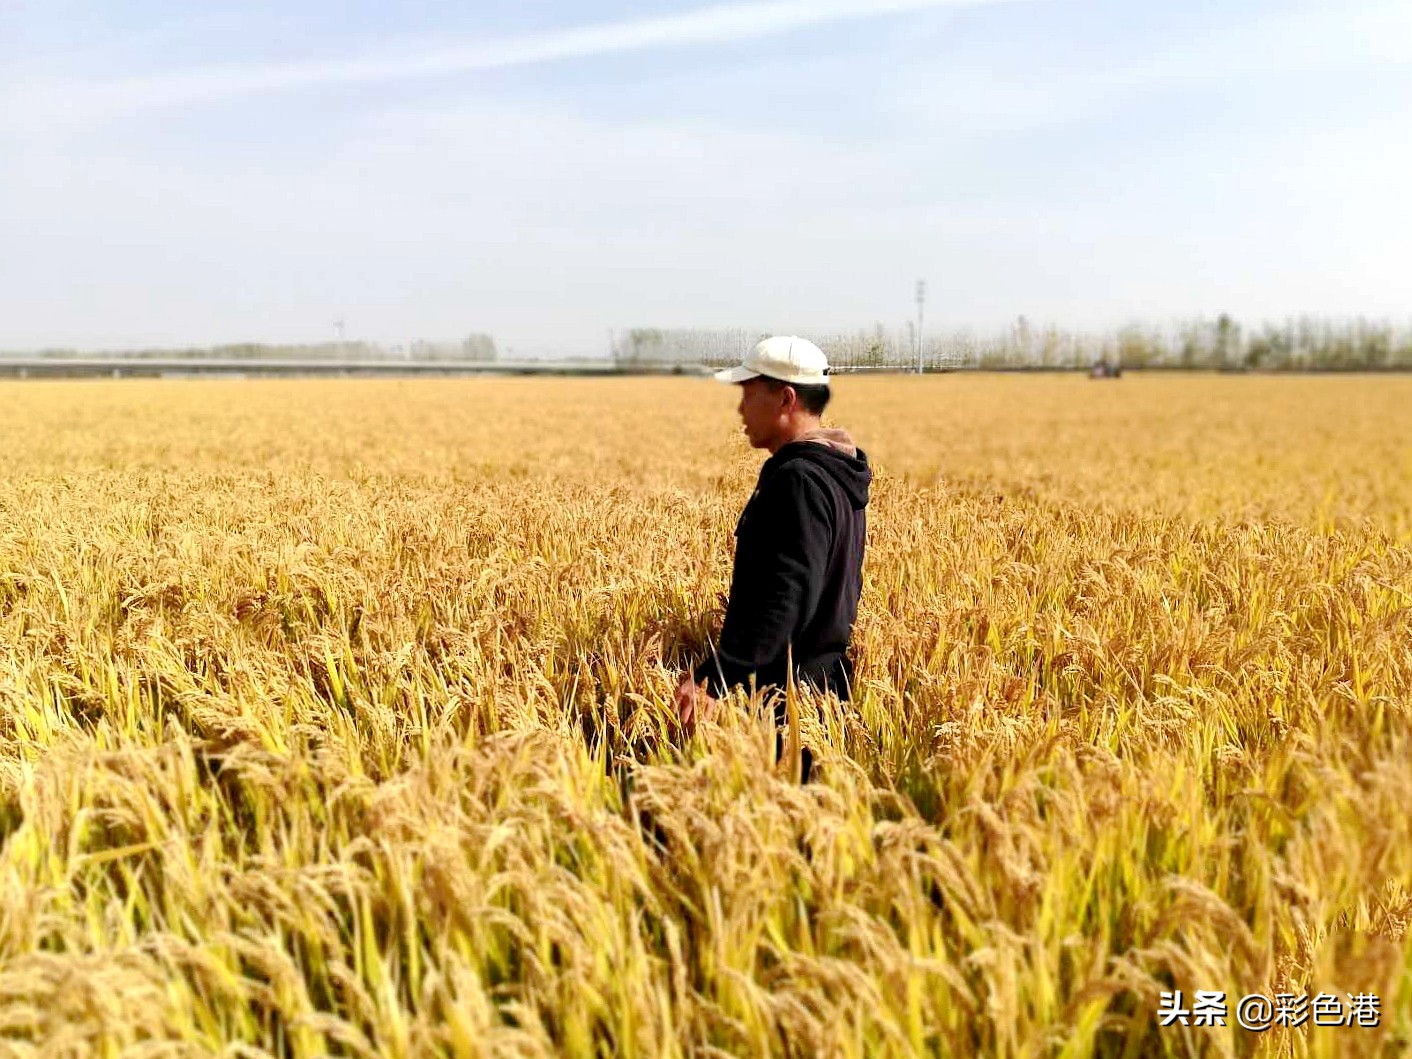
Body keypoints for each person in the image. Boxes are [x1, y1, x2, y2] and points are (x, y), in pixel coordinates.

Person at [673, 336, 872, 780]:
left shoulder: (799, 481)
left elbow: (786, 597)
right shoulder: (835, 475)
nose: (741, 410)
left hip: (782, 708)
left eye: (748, 394)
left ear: (785, 398)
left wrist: (717, 681)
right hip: (819, 693)